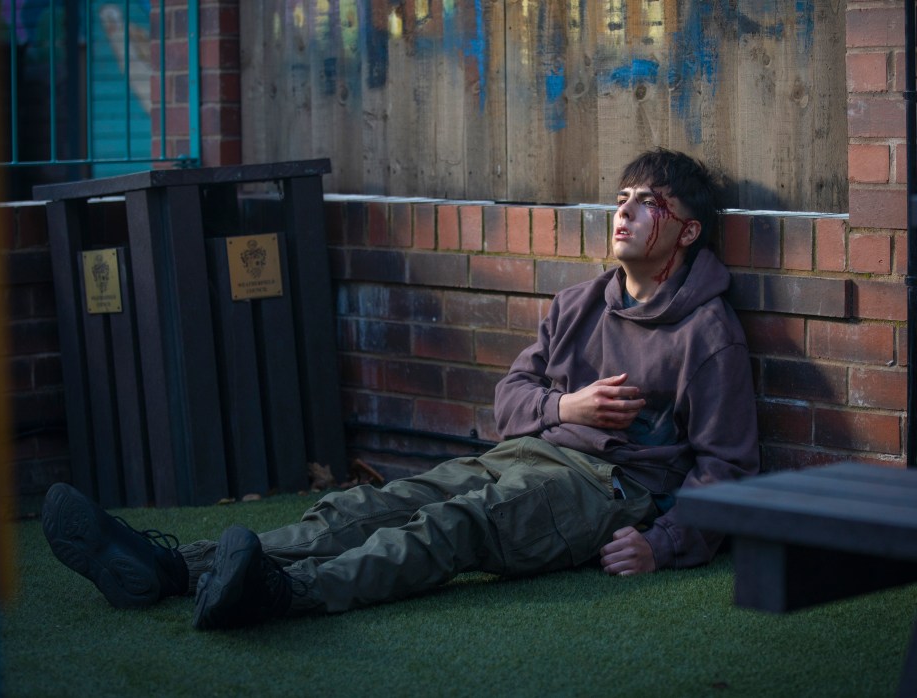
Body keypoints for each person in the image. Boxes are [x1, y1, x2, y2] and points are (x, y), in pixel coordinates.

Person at [42, 148, 759, 630]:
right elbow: (508, 403)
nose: (624, 213)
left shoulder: (708, 333)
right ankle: (166, 568)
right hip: (529, 455)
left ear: (687, 231)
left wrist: (660, 546)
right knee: (368, 505)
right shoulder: (579, 303)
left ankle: (281, 594)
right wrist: (561, 407)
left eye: (648, 204)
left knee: (449, 528)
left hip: (609, 489)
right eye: (621, 198)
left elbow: (728, 469)